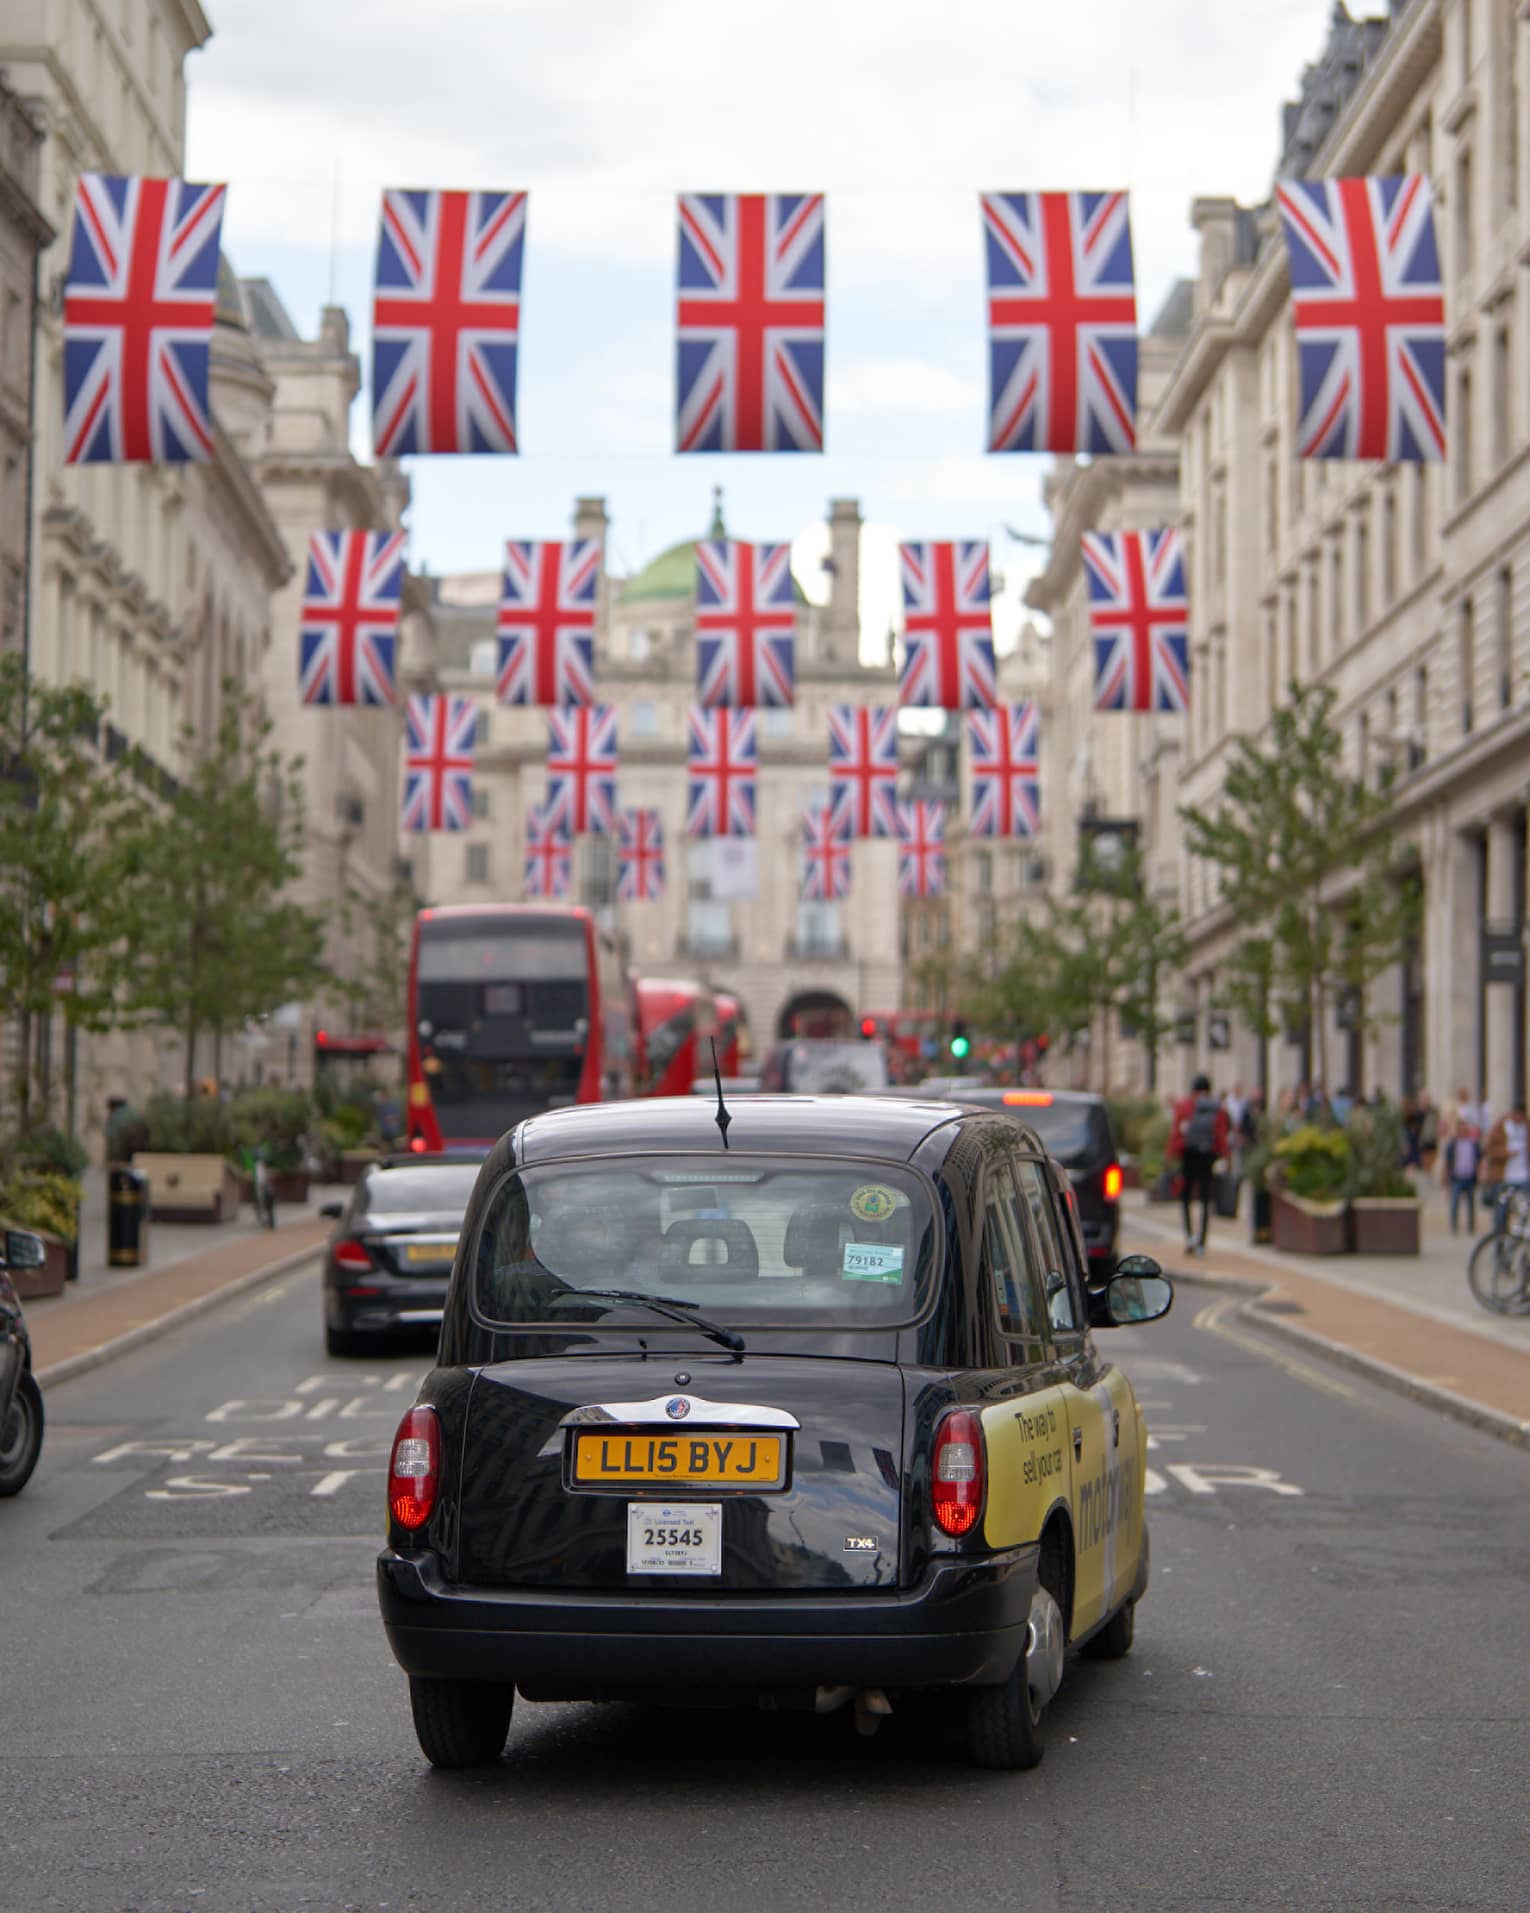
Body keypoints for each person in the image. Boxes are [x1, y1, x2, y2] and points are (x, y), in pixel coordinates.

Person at [1168, 1073, 1229, 1257]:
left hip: (1188, 1157)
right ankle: (1202, 1241)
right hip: (1207, 1157)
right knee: (1205, 1200)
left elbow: (1176, 1133)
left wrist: (1171, 1155)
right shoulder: (1216, 1108)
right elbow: (1221, 1134)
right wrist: (1224, 1155)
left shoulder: (1183, 1106)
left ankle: (1189, 1236)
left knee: (1185, 1199)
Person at [1480, 1096, 1530, 1228]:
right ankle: (1500, 1244)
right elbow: (1488, 1149)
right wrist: (1506, 1152)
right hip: (1504, 1178)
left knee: (1525, 1212)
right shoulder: (1500, 1127)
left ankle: (1518, 1240)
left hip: (1524, 1178)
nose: (1517, 1118)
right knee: (1501, 1214)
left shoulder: (1527, 1128)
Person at [1442, 1108, 1481, 1235]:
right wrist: (1445, 1181)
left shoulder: (1473, 1144)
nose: (1463, 1130)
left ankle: (1471, 1227)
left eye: (1465, 1128)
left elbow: (1479, 1160)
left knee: (1471, 1204)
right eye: (1461, 1128)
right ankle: (1454, 1227)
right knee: (1454, 1203)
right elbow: (1447, 1163)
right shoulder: (1452, 1144)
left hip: (1470, 1177)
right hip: (1457, 1177)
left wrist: (1479, 1174)